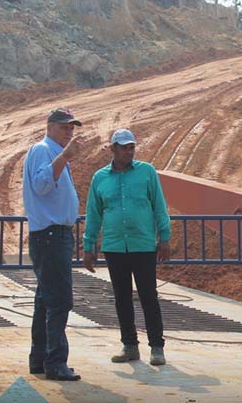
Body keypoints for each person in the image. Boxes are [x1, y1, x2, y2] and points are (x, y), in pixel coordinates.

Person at [82, 129, 172, 366]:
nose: (128, 151)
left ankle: (157, 347)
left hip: (142, 245)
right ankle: (130, 346)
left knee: (148, 296)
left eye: (131, 147)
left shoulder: (146, 172)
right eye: (123, 147)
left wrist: (164, 237)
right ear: (112, 149)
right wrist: (88, 245)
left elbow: (159, 205)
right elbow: (94, 213)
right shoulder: (100, 178)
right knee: (121, 298)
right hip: (114, 246)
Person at [22, 107, 84, 381]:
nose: (69, 132)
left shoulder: (51, 153)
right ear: (49, 127)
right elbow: (42, 185)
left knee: (46, 301)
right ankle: (56, 362)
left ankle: (40, 359)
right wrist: (65, 156)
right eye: (64, 127)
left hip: (54, 235)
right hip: (50, 235)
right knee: (59, 300)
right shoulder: (42, 151)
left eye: (71, 128)